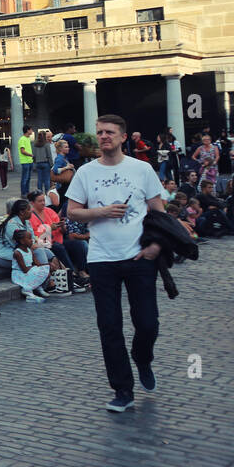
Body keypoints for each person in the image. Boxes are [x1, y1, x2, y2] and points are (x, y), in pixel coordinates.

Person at [65, 114, 166, 413]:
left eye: (109, 132)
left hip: (138, 256)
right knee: (109, 327)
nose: (104, 136)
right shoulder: (85, 172)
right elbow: (72, 213)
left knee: (147, 323)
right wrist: (102, 212)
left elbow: (158, 212)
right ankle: (122, 390)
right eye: (99, 132)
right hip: (101, 259)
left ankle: (143, 357)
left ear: (123, 137)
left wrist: (156, 246)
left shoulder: (142, 169)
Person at [29, 189, 88, 291]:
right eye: (40, 201)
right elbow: (35, 237)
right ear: (32, 203)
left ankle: (82, 271)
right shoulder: (30, 217)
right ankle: (72, 275)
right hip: (45, 244)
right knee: (58, 247)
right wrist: (49, 228)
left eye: (43, 200)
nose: (43, 203)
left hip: (58, 240)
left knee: (79, 244)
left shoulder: (49, 211)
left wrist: (63, 227)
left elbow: (62, 230)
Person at [10, 228, 51, 302]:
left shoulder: (30, 250)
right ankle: (27, 290)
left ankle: (37, 286)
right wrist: (38, 268)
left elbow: (37, 263)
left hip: (29, 270)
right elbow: (24, 269)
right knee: (40, 272)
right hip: (20, 274)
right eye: (29, 238)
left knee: (45, 271)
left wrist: (47, 265)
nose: (32, 240)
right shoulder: (17, 253)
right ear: (22, 241)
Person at [17, 126, 34, 195]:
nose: (32, 131)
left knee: (28, 178)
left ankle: (27, 192)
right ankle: (23, 193)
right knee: (25, 178)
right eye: (31, 129)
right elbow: (22, 151)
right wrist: (31, 155)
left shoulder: (28, 138)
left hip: (30, 161)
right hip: (25, 161)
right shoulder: (22, 139)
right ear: (27, 130)